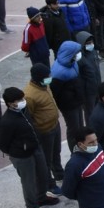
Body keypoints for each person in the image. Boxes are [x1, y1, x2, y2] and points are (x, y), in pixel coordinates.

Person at [0, 87, 60, 208]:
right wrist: (18, 150)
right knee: (29, 183)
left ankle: (41, 197)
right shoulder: (7, 122)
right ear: (10, 104)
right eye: (19, 100)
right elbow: (2, 143)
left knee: (43, 174)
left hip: (36, 148)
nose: (23, 101)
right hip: (22, 156)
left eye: (22, 98)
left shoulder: (24, 110)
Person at [24, 63, 63, 197]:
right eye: (47, 76)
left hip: (55, 126)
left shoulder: (45, 86)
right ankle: (49, 184)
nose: (50, 77)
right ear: (38, 78)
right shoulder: (29, 95)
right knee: (46, 160)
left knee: (56, 153)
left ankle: (59, 174)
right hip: (44, 132)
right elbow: (29, 117)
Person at [50, 41, 85, 152]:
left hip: (76, 101)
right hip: (68, 106)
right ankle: (74, 151)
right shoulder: (59, 72)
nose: (78, 54)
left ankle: (81, 146)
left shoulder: (72, 63)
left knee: (79, 126)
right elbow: (55, 92)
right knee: (73, 129)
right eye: (76, 52)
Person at [76, 32, 101, 128]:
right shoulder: (79, 58)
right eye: (88, 43)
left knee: (98, 110)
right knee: (89, 112)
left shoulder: (93, 52)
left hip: (97, 86)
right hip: (88, 92)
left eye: (92, 42)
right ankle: (91, 129)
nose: (91, 44)